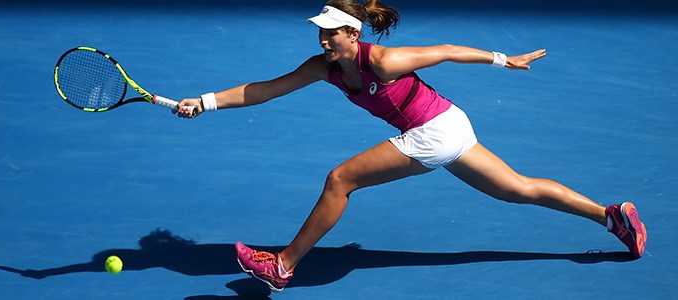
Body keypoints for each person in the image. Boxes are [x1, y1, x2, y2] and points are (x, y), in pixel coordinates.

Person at [174, 0, 647, 292]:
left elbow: (445, 51)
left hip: (435, 131)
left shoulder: (384, 60)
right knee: (516, 189)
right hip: (448, 126)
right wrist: (207, 102)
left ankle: (282, 265)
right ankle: (612, 217)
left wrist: (505, 60)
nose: (322, 39)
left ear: (352, 34)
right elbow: (265, 89)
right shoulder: (323, 66)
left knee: (340, 180)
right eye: (319, 31)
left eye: (330, 32)